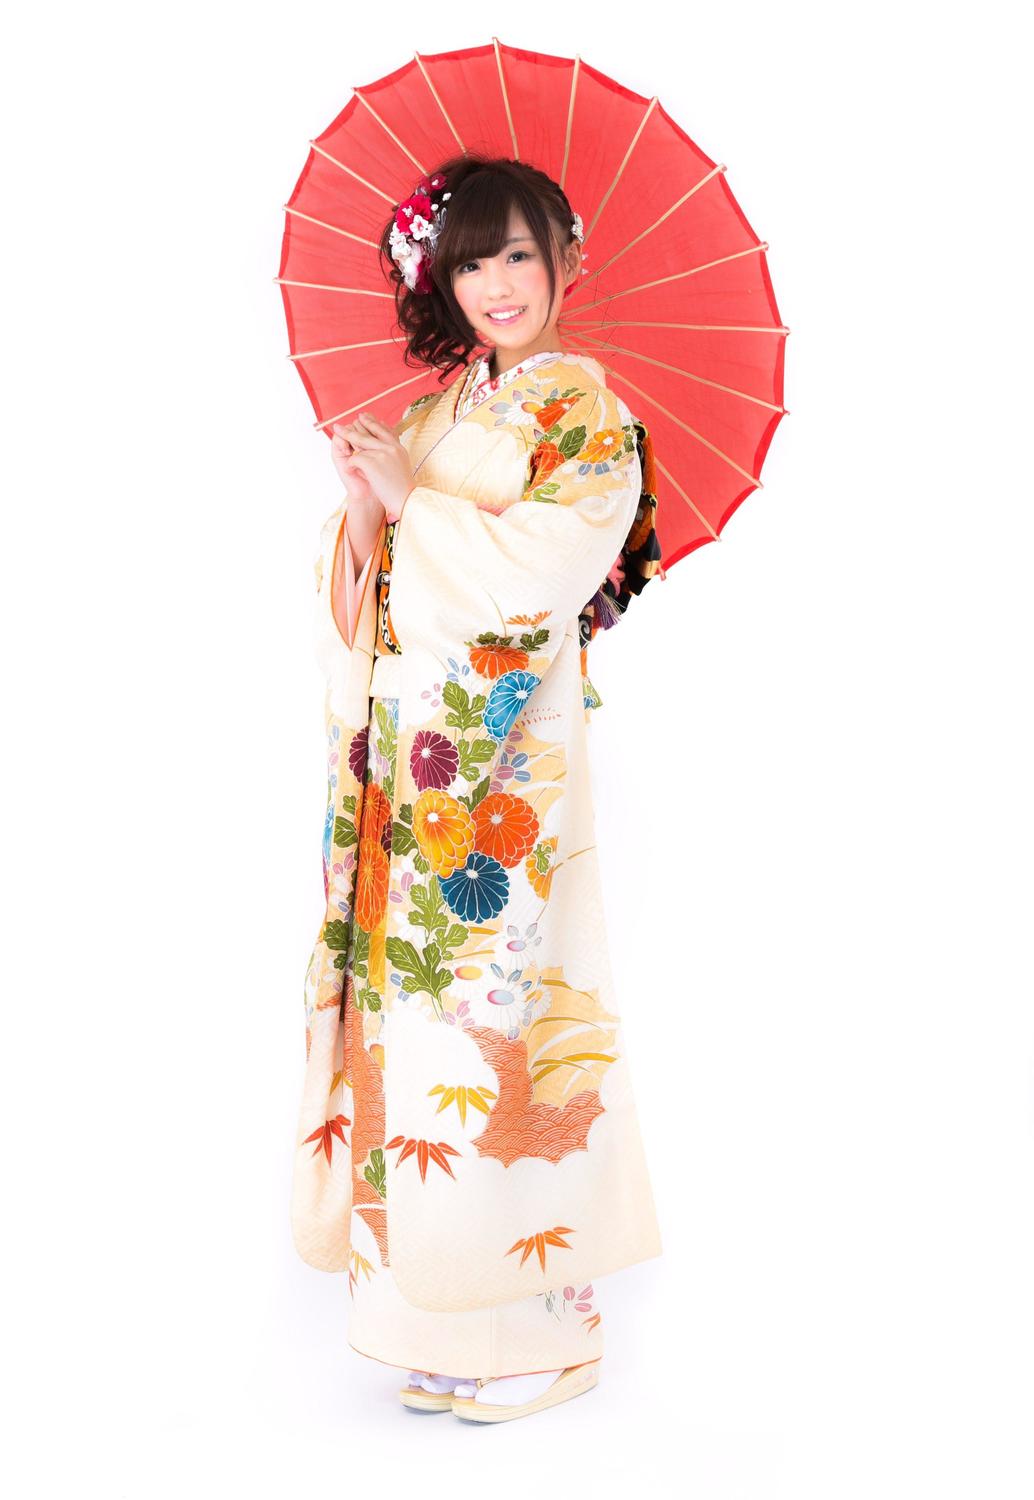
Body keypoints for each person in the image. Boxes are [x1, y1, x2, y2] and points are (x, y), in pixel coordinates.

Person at [292, 153, 663, 1424]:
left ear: (564, 260)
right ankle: (438, 1322)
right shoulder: (438, 412)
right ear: (438, 280)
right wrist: (365, 515)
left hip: (505, 780)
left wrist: (421, 512)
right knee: (407, 1032)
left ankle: (550, 1335)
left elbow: (542, 578)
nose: (497, 284)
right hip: (412, 769)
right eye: (469, 261)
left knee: (496, 1028)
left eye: (517, 254)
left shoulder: (587, 418)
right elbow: (375, 599)